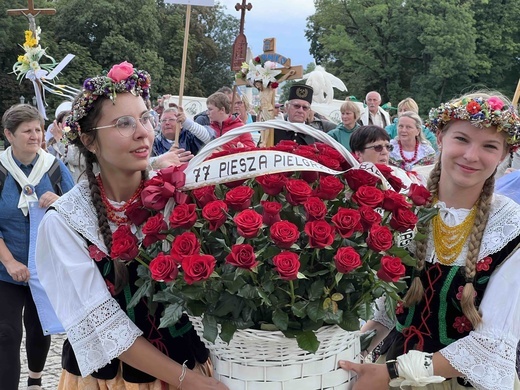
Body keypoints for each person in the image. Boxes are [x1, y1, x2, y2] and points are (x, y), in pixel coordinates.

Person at [34, 62, 228, 389]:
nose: (143, 132)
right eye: (124, 123)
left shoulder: (178, 197)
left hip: (195, 366)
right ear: (88, 140)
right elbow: (106, 327)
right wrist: (190, 382)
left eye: (145, 118)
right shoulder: (65, 222)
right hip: (115, 380)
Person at [340, 92, 520, 389]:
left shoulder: (511, 227)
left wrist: (390, 373)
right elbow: (389, 311)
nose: (471, 156)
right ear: (439, 137)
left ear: (503, 155)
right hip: (388, 369)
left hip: (457, 380)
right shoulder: (403, 210)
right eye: (461, 139)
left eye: (489, 146)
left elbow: (490, 345)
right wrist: (354, 351)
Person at [0, 104, 74, 390]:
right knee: (5, 333)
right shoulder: (2, 170)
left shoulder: (54, 167)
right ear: (9, 134)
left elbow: (79, 209)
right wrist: (9, 262)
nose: (35, 136)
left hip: (44, 266)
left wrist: (60, 201)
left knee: (38, 326)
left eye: (39, 130)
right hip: (6, 268)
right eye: (27, 131)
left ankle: (35, 380)